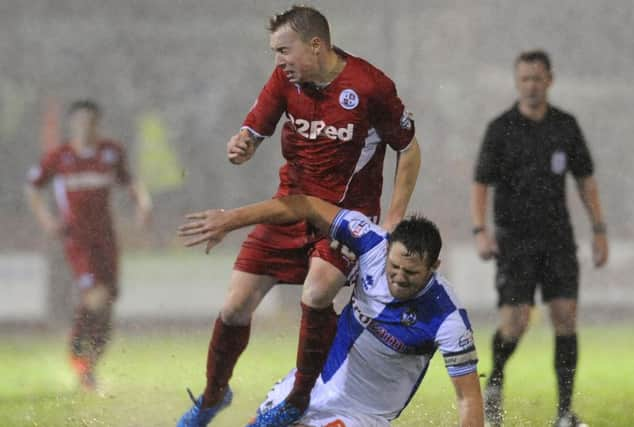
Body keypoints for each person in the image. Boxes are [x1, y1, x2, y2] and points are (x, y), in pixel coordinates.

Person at [176, 5, 420, 427]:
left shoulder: (370, 86)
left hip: (344, 218)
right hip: (288, 208)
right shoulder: (284, 81)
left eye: (283, 50)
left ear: (316, 44)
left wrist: (394, 217)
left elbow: (409, 148)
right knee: (234, 307)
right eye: (274, 52)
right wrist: (242, 145)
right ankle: (213, 397)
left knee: (317, 291)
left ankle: (299, 400)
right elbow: (254, 129)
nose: (278, 61)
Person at [178, 194, 483, 427]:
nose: (399, 277)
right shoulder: (372, 243)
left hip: (359, 415)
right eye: (394, 266)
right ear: (388, 248)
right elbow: (306, 205)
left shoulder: (448, 317)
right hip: (309, 386)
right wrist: (231, 219)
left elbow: (467, 397)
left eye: (411, 273)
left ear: (434, 268)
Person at [470, 50, 608, 427]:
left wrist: (598, 229)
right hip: (514, 242)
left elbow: (585, 180)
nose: (531, 85)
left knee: (565, 318)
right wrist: (481, 231)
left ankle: (565, 413)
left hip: (558, 239)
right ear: (517, 82)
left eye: (537, 78)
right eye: (524, 79)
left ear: (550, 79)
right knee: (516, 322)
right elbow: (481, 182)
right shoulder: (501, 128)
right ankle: (496, 378)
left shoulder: (565, 126)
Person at [25, 99, 152, 390]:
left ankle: (89, 366)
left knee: (107, 306)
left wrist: (143, 204)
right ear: (72, 124)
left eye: (90, 122)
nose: (85, 127)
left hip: (106, 238)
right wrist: (47, 220)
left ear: (98, 124)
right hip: (77, 239)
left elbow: (129, 181)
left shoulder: (110, 152)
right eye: (80, 121)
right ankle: (76, 347)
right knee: (95, 297)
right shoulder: (60, 156)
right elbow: (33, 186)